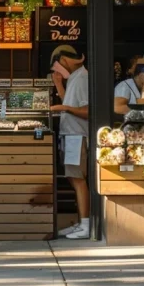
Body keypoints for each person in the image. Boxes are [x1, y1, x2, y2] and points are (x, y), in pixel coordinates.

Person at [48, 44, 90, 240]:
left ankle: (86, 224)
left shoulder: (82, 78)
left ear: (64, 61)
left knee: (79, 180)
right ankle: (81, 222)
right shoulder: (74, 78)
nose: (56, 70)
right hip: (70, 135)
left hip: (77, 135)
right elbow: (72, 104)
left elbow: (88, 111)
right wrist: (58, 85)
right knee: (74, 180)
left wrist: (62, 107)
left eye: (56, 66)